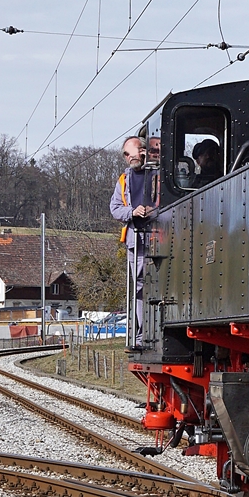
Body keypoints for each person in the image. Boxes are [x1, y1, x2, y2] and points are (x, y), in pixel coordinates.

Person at [110, 136, 153, 346]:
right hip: (136, 241)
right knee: (139, 287)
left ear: (143, 150)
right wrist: (132, 211)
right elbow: (115, 208)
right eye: (125, 154)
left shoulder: (160, 174)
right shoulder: (123, 180)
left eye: (131, 152)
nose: (128, 157)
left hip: (159, 235)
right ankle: (141, 334)